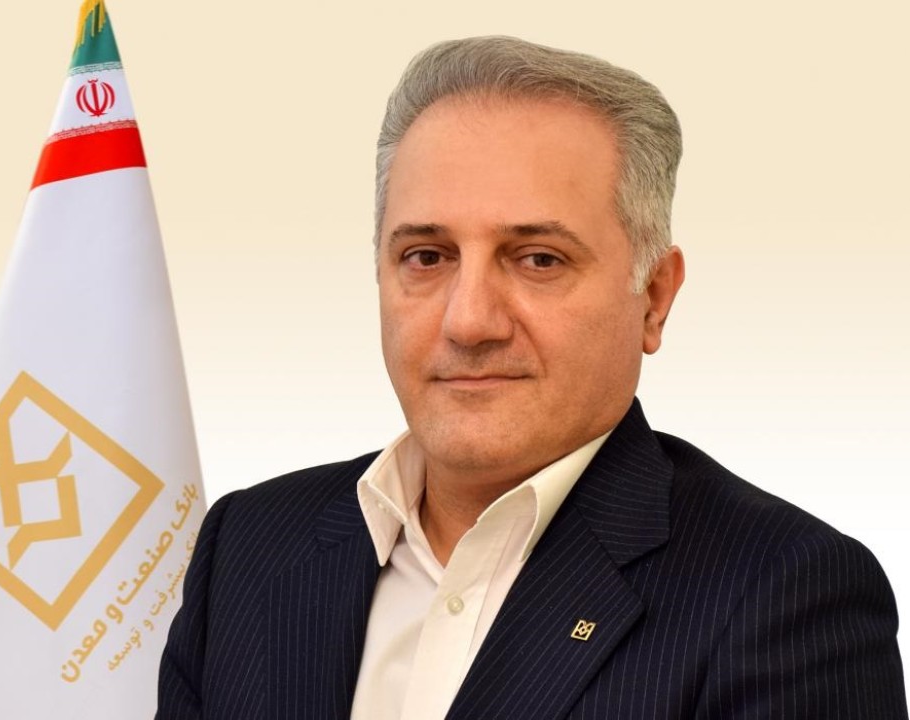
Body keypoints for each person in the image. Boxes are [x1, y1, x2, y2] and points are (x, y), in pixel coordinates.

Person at [157, 37, 907, 719]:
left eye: (538, 259)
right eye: (427, 257)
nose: (469, 321)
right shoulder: (249, 545)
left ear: (654, 297)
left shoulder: (783, 593)